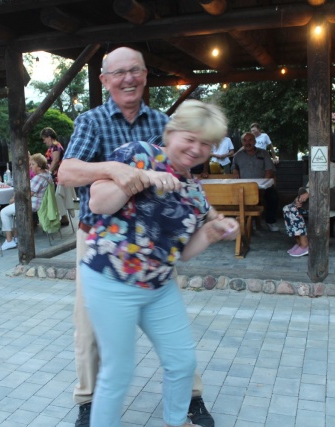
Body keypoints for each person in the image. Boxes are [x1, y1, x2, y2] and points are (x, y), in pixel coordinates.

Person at [58, 47, 215, 427]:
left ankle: (190, 399)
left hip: (156, 245)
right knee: (89, 329)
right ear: (104, 80)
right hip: (101, 242)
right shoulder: (92, 121)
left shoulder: (162, 122)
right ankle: (89, 401)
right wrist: (116, 169)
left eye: (135, 70)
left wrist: (211, 221)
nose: (128, 78)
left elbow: (185, 170)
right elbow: (67, 173)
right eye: (119, 72)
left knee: (176, 338)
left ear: (145, 75)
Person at [81, 100, 238, 427]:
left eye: (206, 144)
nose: (196, 149)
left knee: (182, 361)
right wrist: (143, 177)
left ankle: (176, 421)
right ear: (171, 133)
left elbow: (180, 252)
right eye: (190, 138)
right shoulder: (139, 154)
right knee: (118, 372)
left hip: (159, 286)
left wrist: (212, 232)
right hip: (111, 279)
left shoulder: (195, 190)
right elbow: (98, 202)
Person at [282, 162, 335, 257]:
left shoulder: (334, 168)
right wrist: (298, 199)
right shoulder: (317, 166)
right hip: (315, 204)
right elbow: (308, 187)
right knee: (288, 208)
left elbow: (329, 184)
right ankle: (299, 242)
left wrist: (309, 193)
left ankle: (305, 244)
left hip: (330, 206)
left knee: (293, 210)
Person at [0, 154, 52, 251]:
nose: (30, 166)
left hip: (32, 204)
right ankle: (16, 237)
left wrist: (13, 199)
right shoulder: (48, 175)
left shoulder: (38, 178)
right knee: (11, 211)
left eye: (32, 164)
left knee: (3, 212)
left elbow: (28, 194)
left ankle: (9, 240)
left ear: (39, 167)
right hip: (39, 202)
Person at [232, 131, 280, 232]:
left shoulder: (264, 153)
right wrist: (235, 171)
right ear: (242, 142)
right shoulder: (238, 155)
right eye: (245, 140)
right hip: (244, 187)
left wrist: (263, 186)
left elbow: (270, 170)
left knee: (273, 197)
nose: (247, 143)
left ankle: (270, 221)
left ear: (254, 141)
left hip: (263, 186)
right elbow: (234, 167)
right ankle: (242, 223)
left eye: (250, 140)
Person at [41, 127, 72, 225]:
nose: (44, 141)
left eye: (44, 139)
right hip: (55, 175)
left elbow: (55, 160)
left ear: (49, 137)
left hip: (57, 175)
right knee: (56, 196)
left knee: (57, 195)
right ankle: (62, 217)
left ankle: (64, 217)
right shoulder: (53, 147)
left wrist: (49, 173)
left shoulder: (55, 146)